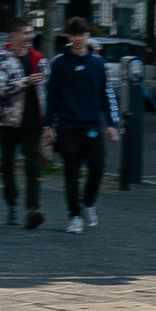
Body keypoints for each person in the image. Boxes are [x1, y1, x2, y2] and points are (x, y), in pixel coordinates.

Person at [41, 15, 120, 234]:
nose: (78, 39)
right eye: (74, 35)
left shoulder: (97, 64)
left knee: (97, 167)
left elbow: (106, 95)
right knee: (72, 172)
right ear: (69, 36)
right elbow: (53, 97)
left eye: (82, 35)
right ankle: (74, 216)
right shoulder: (60, 64)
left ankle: (88, 202)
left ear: (87, 36)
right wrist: (49, 125)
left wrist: (112, 124)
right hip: (68, 125)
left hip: (92, 124)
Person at [0, 21, 49, 230]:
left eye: (31, 32)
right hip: (8, 121)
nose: (29, 36)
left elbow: (46, 92)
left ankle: (32, 209)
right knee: (8, 166)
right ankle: (12, 204)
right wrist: (25, 81)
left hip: (33, 122)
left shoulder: (39, 59)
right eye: (25, 33)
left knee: (33, 165)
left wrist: (49, 123)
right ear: (13, 35)